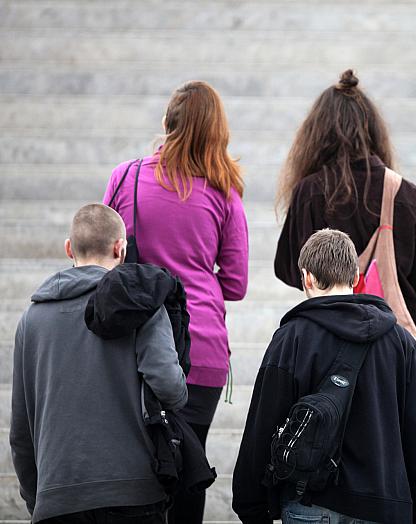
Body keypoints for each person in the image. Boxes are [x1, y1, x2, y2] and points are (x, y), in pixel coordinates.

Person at [104, 81, 249, 522]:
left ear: (167, 124)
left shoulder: (125, 177)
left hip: (130, 343)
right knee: (188, 464)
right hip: (198, 350)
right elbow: (237, 282)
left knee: (137, 466)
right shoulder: (224, 192)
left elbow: (105, 259)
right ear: (217, 133)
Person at [233, 229, 416, 524]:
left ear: (306, 277)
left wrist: (250, 504)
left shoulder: (291, 338)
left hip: (311, 501)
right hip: (385, 503)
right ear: (356, 277)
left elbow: (263, 422)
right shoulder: (400, 342)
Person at [274, 69, 416, 403]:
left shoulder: (310, 192)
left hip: (324, 347)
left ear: (316, 135)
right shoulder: (406, 196)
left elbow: (286, 267)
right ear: (373, 132)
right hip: (395, 350)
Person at [10, 203, 188, 524]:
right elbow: (170, 389)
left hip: (57, 496)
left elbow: (21, 430)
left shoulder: (31, 320)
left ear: (69, 248)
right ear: (121, 248)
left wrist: (39, 499)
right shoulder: (142, 305)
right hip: (135, 492)